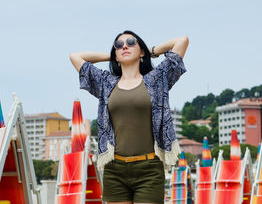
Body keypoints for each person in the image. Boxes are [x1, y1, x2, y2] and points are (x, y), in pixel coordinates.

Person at [70, 30, 189, 204]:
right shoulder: (106, 83)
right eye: (118, 45)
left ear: (142, 52)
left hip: (149, 169)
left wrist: (150, 51)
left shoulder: (156, 79)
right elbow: (75, 57)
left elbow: (182, 41)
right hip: (115, 169)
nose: (124, 46)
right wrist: (112, 56)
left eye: (131, 42)